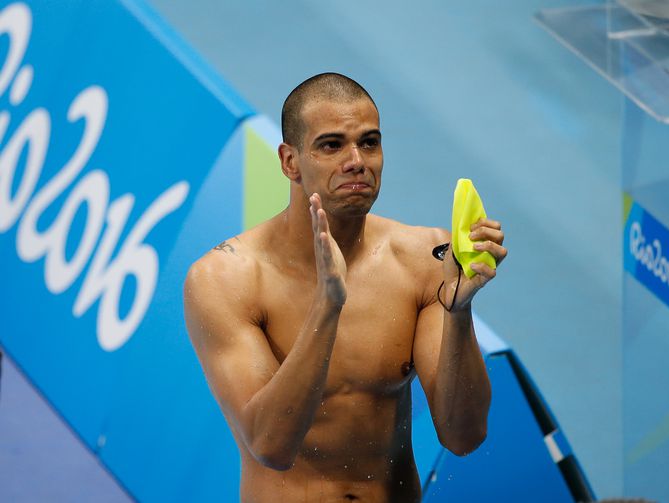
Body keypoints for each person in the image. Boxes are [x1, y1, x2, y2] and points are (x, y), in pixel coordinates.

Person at [183, 73, 507, 503]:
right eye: (331, 145)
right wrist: (327, 306)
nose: (357, 160)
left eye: (369, 142)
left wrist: (458, 313)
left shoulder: (422, 260)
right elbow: (270, 446)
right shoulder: (226, 280)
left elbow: (463, 436)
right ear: (289, 162)